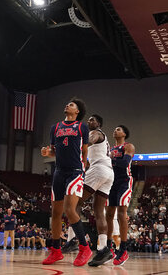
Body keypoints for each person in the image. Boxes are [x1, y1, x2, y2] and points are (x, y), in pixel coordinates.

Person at [40, 98, 92, 267]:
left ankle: (85, 248)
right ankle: (56, 251)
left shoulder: (82, 126)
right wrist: (47, 153)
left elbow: (84, 149)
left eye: (72, 105)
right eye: (68, 103)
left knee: (70, 210)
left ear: (77, 111)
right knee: (55, 213)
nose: (67, 105)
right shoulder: (55, 127)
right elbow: (54, 151)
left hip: (75, 172)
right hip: (59, 172)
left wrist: (83, 165)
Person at [79, 114, 115, 266]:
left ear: (99, 123)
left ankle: (74, 241)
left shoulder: (96, 133)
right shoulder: (105, 139)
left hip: (99, 169)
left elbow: (88, 141)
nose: (89, 121)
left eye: (92, 120)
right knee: (99, 211)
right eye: (88, 120)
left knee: (74, 204)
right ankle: (104, 248)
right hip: (108, 172)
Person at [105, 125, 135, 266]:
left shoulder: (128, 146)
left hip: (124, 181)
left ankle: (123, 249)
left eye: (118, 129)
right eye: (114, 129)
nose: (115, 130)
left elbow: (124, 163)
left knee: (122, 213)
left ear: (124, 133)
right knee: (109, 215)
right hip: (111, 182)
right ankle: (109, 247)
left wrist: (109, 160)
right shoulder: (110, 149)